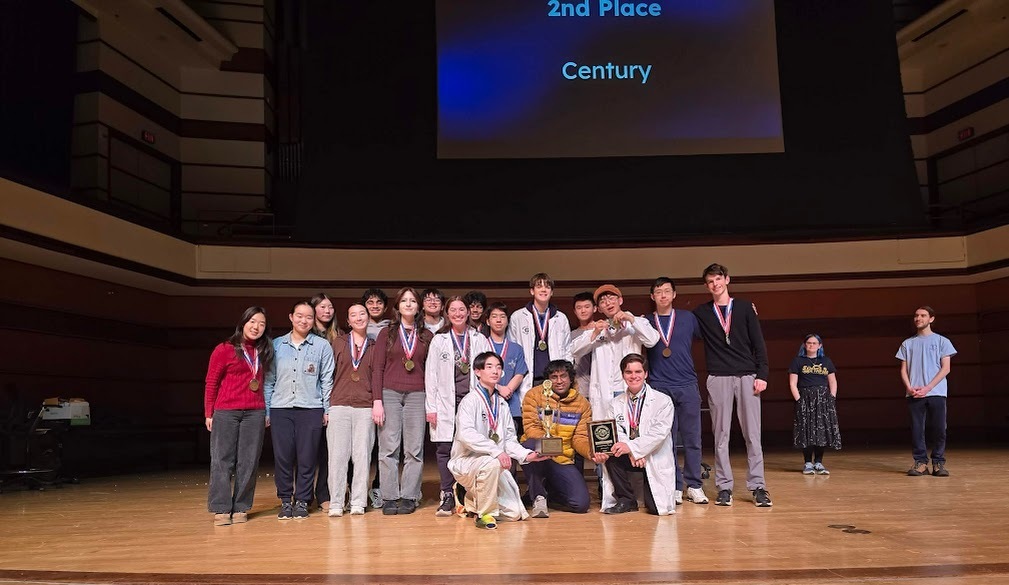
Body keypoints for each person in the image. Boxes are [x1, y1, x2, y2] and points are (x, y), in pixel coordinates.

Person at [693, 263, 771, 507]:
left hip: (748, 376)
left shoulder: (746, 307)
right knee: (721, 435)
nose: (715, 284)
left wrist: (763, 374)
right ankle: (724, 487)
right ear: (707, 286)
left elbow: (759, 343)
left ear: (727, 279)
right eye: (710, 281)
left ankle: (758, 486)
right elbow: (681, 326)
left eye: (718, 279)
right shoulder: (702, 313)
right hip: (718, 377)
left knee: (752, 435)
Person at [449, 352, 549, 530]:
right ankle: (483, 514)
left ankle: (469, 500)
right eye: (489, 367)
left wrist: (527, 455)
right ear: (478, 372)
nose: (495, 371)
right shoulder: (470, 401)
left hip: (491, 465)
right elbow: (466, 434)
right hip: (466, 462)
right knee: (493, 463)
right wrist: (496, 451)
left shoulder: (501, 404)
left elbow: (509, 439)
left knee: (514, 513)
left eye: (498, 367)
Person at [264, 300, 335, 520]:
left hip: (311, 409)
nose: (304, 320)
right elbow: (268, 381)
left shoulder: (322, 346)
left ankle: (303, 500)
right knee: (283, 457)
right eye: (299, 316)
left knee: (307, 457)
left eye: (309, 317)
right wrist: (267, 411)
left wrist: (327, 409)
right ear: (291, 317)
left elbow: (326, 380)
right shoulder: (276, 345)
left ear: (314, 320)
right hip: (280, 408)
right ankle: (286, 500)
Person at [204, 306, 273, 526]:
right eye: (252, 321)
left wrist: (267, 411)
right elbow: (211, 382)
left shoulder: (264, 351)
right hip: (226, 411)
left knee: (249, 461)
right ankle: (221, 508)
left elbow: (267, 383)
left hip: (255, 411)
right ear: (243, 323)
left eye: (261, 324)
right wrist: (208, 412)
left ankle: (242, 506)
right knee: (222, 460)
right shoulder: (224, 349)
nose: (256, 327)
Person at [425, 296, 492, 516]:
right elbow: (431, 376)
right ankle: (446, 494)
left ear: (468, 312)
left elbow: (488, 371)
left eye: (461, 309)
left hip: (471, 401)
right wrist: (431, 407)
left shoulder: (479, 338)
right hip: (446, 403)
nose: (457, 313)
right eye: (453, 310)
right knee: (444, 448)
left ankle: (468, 494)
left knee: (470, 447)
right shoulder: (440, 339)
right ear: (447, 313)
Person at [644, 277, 708, 504]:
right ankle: (673, 485)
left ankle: (694, 485)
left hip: (687, 384)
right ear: (652, 296)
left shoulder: (688, 318)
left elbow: (713, 331)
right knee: (666, 440)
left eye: (667, 291)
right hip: (659, 386)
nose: (663, 295)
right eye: (658, 292)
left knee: (692, 438)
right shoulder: (646, 322)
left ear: (674, 294)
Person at [371, 287, 433, 515]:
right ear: (396, 306)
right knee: (388, 447)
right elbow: (377, 369)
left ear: (419, 307)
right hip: (389, 393)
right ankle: (389, 496)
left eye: (413, 301)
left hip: (418, 394)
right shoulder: (386, 333)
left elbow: (431, 371)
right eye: (404, 301)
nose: (408, 304)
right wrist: (377, 400)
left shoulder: (427, 336)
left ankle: (409, 495)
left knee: (414, 449)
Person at [593, 354, 677, 516]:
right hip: (630, 455)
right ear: (623, 375)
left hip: (653, 455)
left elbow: (658, 434)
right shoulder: (615, 403)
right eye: (628, 372)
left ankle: (649, 495)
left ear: (646, 374)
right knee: (611, 451)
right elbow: (616, 431)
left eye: (638, 371)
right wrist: (630, 450)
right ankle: (626, 499)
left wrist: (634, 449)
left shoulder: (663, 401)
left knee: (655, 509)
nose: (633, 376)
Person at [570, 284, 659, 424]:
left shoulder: (636, 322)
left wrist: (631, 319)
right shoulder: (598, 328)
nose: (608, 303)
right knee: (606, 435)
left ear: (620, 300)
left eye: (611, 298)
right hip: (604, 392)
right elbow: (574, 350)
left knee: (631, 430)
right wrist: (594, 333)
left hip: (628, 386)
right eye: (603, 301)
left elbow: (652, 340)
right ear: (599, 308)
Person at [326, 303, 382, 517]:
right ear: (347, 321)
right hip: (339, 405)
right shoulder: (338, 343)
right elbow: (328, 376)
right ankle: (336, 502)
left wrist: (377, 402)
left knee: (362, 455)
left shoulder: (375, 346)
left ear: (368, 318)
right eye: (353, 315)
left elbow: (378, 376)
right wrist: (327, 405)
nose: (359, 318)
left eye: (362, 314)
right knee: (338, 457)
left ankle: (358, 501)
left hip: (365, 406)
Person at [520, 360, 592, 517]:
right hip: (537, 453)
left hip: (563, 458)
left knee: (581, 504)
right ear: (547, 380)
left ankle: (550, 490)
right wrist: (550, 445)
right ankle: (539, 496)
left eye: (563, 376)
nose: (559, 381)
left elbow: (580, 438)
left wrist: (591, 453)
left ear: (571, 378)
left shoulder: (582, 404)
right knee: (530, 444)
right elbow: (531, 428)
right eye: (554, 377)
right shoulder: (534, 395)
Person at [897, 306, 957, 477]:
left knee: (939, 429)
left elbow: (946, 368)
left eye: (923, 315)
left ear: (931, 319)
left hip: (936, 392)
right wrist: (909, 387)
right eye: (916, 315)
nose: (918, 318)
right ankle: (921, 462)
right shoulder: (907, 343)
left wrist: (928, 387)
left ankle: (938, 462)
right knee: (917, 429)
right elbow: (903, 369)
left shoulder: (942, 341)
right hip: (914, 393)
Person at [508, 273, 572, 405]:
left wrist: (565, 377)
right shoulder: (518, 317)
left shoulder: (561, 318)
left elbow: (568, 350)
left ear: (552, 292)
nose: (543, 290)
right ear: (532, 291)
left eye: (547, 287)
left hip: (555, 379)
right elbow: (512, 351)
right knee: (531, 421)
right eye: (539, 286)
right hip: (528, 380)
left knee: (554, 421)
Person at [788, 334, 841, 475]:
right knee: (807, 430)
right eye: (809, 343)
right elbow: (792, 383)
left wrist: (832, 397)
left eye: (814, 343)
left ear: (820, 345)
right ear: (805, 345)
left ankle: (818, 462)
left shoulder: (826, 361)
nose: (811, 345)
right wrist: (799, 400)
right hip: (805, 398)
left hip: (823, 399)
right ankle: (807, 463)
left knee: (821, 430)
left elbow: (833, 381)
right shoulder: (797, 361)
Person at [309, 292, 339, 511]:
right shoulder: (304, 335)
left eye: (330, 307)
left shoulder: (340, 336)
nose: (327, 311)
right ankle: (303, 493)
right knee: (308, 450)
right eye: (322, 307)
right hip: (309, 399)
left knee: (329, 451)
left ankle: (325, 493)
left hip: (334, 399)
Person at [361, 287, 389, 508]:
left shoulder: (392, 329)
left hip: (384, 387)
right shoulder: (357, 328)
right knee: (362, 444)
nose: (375, 306)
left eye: (379, 302)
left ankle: (379, 485)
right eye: (370, 302)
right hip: (361, 389)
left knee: (383, 442)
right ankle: (357, 488)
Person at [570, 291, 596, 397]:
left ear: (595, 308)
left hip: (601, 385)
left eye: (587, 306)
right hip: (580, 387)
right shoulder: (571, 335)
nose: (583, 310)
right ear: (575, 311)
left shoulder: (603, 329)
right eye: (579, 308)